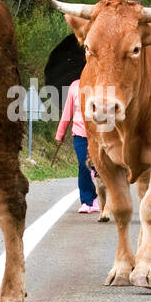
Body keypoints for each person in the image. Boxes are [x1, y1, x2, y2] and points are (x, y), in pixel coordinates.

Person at [57, 78, 99, 213]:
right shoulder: (75, 86)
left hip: (99, 135)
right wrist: (60, 133)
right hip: (79, 134)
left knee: (99, 167)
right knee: (83, 165)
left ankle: (98, 199)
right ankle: (87, 201)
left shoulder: (102, 84)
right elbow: (67, 111)